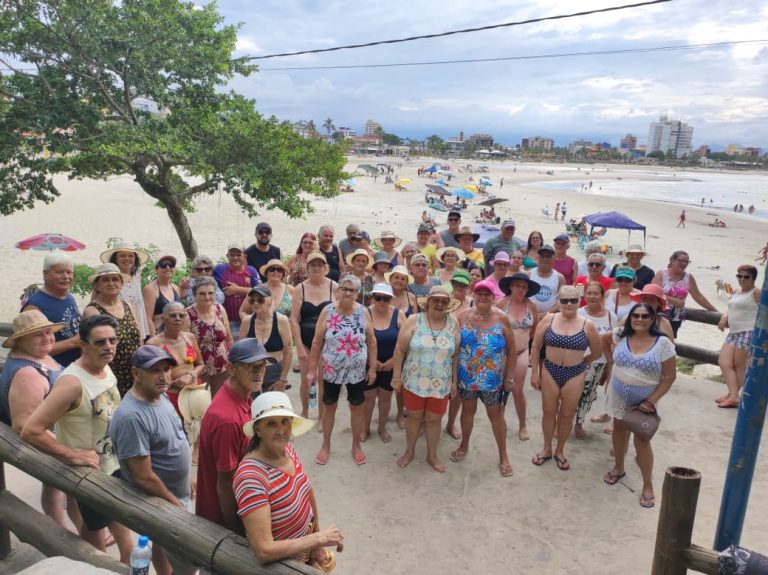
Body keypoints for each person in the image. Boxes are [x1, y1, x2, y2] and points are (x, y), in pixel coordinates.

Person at [21, 315, 133, 562]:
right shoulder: (72, 383)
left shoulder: (105, 367)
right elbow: (31, 430)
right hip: (90, 473)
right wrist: (71, 455)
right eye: (100, 342)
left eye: (112, 340)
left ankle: (123, 561)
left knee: (116, 518)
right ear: (83, 345)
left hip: (112, 463)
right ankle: (97, 567)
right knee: (96, 528)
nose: (108, 346)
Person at [109, 346, 194, 575]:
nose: (164, 376)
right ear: (137, 374)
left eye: (166, 369)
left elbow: (176, 436)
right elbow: (142, 477)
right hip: (161, 501)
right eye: (155, 370)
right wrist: (174, 504)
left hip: (176, 493)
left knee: (161, 542)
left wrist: (188, 479)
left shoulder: (161, 395)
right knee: (188, 563)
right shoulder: (132, 417)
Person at [235, 392, 343, 567]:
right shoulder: (251, 477)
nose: (281, 430)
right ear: (257, 429)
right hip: (285, 564)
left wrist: (316, 540)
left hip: (306, 547)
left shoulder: (289, 450)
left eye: (285, 421)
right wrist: (317, 539)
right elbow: (264, 550)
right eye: (271, 423)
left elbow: (307, 492)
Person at [0, 310, 81, 530]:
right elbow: (23, 425)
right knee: (72, 485)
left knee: (58, 488)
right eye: (38, 335)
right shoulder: (27, 374)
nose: (47, 338)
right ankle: (63, 532)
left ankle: (74, 529)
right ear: (20, 340)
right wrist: (69, 453)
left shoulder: (38, 354)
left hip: (59, 433)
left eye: (48, 332)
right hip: (49, 440)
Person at [195, 338, 276, 532]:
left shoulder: (242, 396)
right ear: (231, 369)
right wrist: (238, 531)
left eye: (262, 366)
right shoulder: (228, 419)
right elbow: (225, 484)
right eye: (251, 367)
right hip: (222, 522)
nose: (259, 373)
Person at [602, 304, 676, 508]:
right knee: (618, 430)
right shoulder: (620, 334)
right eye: (635, 315)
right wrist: (610, 364)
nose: (640, 319)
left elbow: (669, 377)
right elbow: (603, 339)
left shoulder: (662, 344)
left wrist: (651, 401)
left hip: (645, 402)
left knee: (642, 441)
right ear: (630, 317)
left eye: (645, 316)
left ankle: (648, 485)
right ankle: (618, 467)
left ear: (653, 319)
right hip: (618, 396)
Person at [530, 286, 601, 471]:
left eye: (573, 300)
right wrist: (534, 373)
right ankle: (546, 448)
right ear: (558, 301)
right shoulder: (548, 319)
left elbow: (597, 352)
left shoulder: (588, 325)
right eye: (564, 300)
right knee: (548, 411)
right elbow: (536, 347)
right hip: (550, 370)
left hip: (575, 372)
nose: (569, 304)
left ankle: (559, 450)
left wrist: (583, 362)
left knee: (567, 414)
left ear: (579, 301)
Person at [451, 280, 517, 477]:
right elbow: (453, 348)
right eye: (479, 293)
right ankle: (464, 445)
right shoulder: (462, 316)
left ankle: (503, 454)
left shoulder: (502, 318)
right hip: (467, 378)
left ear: (493, 297)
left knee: (496, 417)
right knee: (467, 412)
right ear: (473, 294)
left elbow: (512, 350)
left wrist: (510, 377)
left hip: (492, 381)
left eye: (487, 294)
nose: (483, 297)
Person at [309, 275, 377, 466]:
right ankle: (326, 445)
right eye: (344, 288)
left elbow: (371, 341)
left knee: (356, 406)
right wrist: (312, 370)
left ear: (357, 293)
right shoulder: (327, 311)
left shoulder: (363, 312)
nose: (347, 293)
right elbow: (316, 342)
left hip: (356, 370)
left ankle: (356, 445)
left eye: (352, 290)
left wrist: (372, 368)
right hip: (331, 369)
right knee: (330, 406)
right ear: (338, 291)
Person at [392, 286, 461, 472]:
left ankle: (432, 455)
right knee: (414, 417)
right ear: (428, 302)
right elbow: (399, 350)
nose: (439, 304)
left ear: (448, 305)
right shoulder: (414, 320)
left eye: (443, 301)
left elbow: (455, 355)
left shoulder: (453, 323)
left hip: (441, 382)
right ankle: (409, 451)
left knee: (434, 419)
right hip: (414, 381)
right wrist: (396, 377)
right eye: (436, 300)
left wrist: (454, 381)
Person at [290, 251, 338, 421]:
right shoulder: (300, 288)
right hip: (306, 339)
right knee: (305, 380)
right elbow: (294, 320)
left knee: (322, 380)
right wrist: (299, 346)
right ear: (307, 267)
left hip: (327, 342)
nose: (316, 267)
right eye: (313, 265)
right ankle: (304, 412)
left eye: (320, 265)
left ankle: (321, 416)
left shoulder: (335, 287)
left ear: (325, 267)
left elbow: (339, 316)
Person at [82, 263, 142, 397]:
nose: (111, 283)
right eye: (105, 280)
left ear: (121, 283)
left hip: (133, 371)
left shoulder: (128, 306)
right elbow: (90, 349)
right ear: (96, 285)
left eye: (115, 279)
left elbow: (138, 339)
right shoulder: (93, 311)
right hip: (109, 372)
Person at [496, 273, 541, 440]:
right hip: (502, 353)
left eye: (524, 286)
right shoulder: (501, 304)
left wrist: (524, 344)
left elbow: (535, 328)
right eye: (517, 285)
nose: (521, 289)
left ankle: (522, 425)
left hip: (522, 352)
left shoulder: (532, 306)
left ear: (528, 289)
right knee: (499, 389)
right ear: (511, 286)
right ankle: (499, 421)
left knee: (517, 390)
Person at [362, 283, 404, 443]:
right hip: (368, 363)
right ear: (372, 298)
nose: (381, 302)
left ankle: (381, 427)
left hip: (390, 364)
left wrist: (393, 362)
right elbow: (359, 341)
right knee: (368, 398)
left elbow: (405, 342)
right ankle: (365, 427)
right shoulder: (365, 313)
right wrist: (371, 362)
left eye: (385, 298)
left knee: (386, 398)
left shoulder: (399, 315)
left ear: (391, 300)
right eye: (377, 298)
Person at [573, 282, 616, 439]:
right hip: (578, 360)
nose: (592, 296)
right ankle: (563, 421)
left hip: (599, 362)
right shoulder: (578, 313)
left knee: (588, 394)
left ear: (602, 296)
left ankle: (579, 423)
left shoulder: (611, 316)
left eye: (595, 293)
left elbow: (613, 341)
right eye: (589, 293)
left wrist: (610, 366)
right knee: (571, 393)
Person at [22, 253, 82, 367]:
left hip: (72, 369)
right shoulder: (34, 307)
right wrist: (73, 342)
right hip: (49, 373)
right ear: (45, 274)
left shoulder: (69, 296)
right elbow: (31, 349)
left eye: (69, 272)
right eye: (59, 272)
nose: (65, 276)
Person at [146, 301, 205, 416]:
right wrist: (171, 383)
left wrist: (190, 375)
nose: (178, 319)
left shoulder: (190, 337)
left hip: (195, 391)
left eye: (181, 315)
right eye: (173, 315)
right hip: (170, 396)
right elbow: (150, 377)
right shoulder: (153, 344)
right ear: (164, 319)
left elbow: (201, 364)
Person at [716, 265, 759, 408]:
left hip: (748, 331)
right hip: (734, 332)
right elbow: (732, 308)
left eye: (746, 276)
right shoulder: (737, 291)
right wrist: (725, 316)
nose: (742, 279)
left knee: (739, 366)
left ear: (753, 278)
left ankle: (733, 396)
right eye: (739, 276)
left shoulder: (756, 292)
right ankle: (733, 394)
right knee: (724, 362)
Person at [240, 286, 293, 394]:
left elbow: (288, 351)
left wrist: (283, 379)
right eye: (252, 300)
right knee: (251, 407)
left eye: (260, 300)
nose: (255, 303)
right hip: (251, 370)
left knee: (272, 407)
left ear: (270, 301)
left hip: (273, 371)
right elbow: (241, 352)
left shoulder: (281, 320)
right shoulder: (247, 321)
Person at [652, 250, 718, 337]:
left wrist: (714, 310)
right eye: (681, 260)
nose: (684, 263)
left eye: (686, 262)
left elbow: (698, 297)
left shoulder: (688, 277)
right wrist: (674, 301)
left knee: (669, 342)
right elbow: (652, 293)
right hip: (658, 315)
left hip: (676, 318)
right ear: (672, 260)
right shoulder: (662, 274)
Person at [187, 276, 234, 396]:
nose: (207, 297)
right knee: (202, 404)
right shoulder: (188, 314)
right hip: (201, 370)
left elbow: (228, 337)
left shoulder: (220, 309)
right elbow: (185, 346)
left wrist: (233, 360)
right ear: (194, 295)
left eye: (210, 293)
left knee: (220, 401)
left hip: (223, 367)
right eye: (202, 294)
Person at [100, 242, 151, 341]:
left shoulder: (136, 277)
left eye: (130, 256)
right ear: (115, 259)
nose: (127, 259)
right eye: (122, 255)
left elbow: (139, 308)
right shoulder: (108, 281)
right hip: (116, 333)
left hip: (137, 332)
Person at [214, 243, 262, 337]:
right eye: (232, 255)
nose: (235, 257)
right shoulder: (219, 269)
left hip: (250, 319)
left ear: (244, 256)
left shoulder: (251, 270)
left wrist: (239, 290)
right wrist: (187, 279)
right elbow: (203, 274)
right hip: (229, 321)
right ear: (227, 256)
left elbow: (261, 291)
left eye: (238, 255)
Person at [142, 254, 182, 338]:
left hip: (175, 335)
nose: (168, 268)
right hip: (159, 335)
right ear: (156, 269)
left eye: (171, 265)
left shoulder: (176, 288)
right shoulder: (150, 289)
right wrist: (154, 341)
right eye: (163, 265)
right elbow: (147, 318)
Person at [529, 245, 565, 315]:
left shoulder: (560, 278)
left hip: (551, 316)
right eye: (542, 256)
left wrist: (547, 313)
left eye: (548, 256)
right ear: (538, 258)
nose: (545, 258)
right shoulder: (529, 274)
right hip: (530, 315)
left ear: (553, 259)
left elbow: (561, 300)